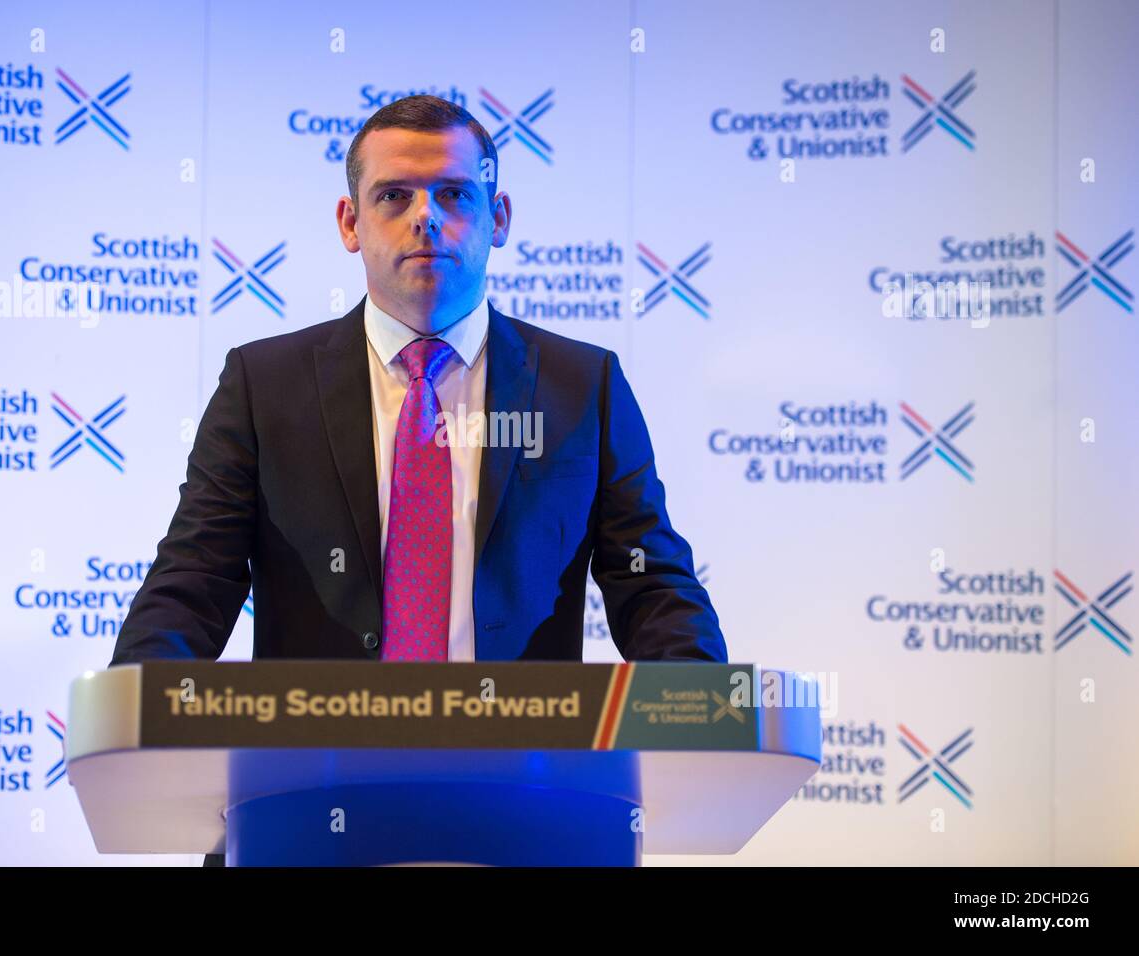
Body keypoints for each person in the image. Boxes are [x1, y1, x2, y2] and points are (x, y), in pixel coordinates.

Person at [109, 93, 726, 669]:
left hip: (518, 772)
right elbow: (194, 580)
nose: (425, 218)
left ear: (499, 218)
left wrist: (704, 717)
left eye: (455, 195)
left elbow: (650, 585)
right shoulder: (263, 385)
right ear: (351, 223)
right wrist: (129, 723)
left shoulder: (582, 386)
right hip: (314, 769)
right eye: (394, 196)